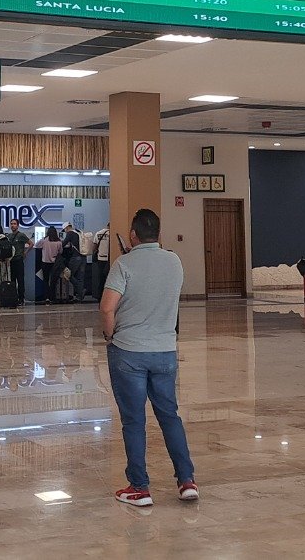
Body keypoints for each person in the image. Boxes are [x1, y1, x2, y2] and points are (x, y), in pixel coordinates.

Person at [101, 208, 197, 507]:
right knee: (170, 416)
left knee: (134, 420)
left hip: (129, 350)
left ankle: (139, 487)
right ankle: (186, 480)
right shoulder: (174, 260)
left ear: (132, 234)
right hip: (165, 351)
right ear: (159, 233)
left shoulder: (123, 264)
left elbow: (107, 308)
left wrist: (109, 337)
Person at [4, 219, 33, 301]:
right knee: (12, 280)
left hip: (19, 260)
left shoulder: (21, 235)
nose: (13, 225)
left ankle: (21, 298)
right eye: (11, 224)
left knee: (20, 280)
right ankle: (13, 297)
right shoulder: (8, 236)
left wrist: (25, 252)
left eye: (14, 224)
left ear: (17, 225)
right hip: (11, 260)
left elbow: (31, 243)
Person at [37, 226, 61, 303]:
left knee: (46, 280)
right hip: (55, 263)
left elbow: (36, 245)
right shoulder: (59, 242)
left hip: (45, 262)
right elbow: (60, 251)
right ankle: (52, 297)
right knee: (53, 281)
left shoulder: (44, 240)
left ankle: (46, 297)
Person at [93, 222, 112, 295]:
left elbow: (94, 247)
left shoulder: (98, 233)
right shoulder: (112, 234)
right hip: (110, 259)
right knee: (109, 279)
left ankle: (100, 295)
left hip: (100, 259)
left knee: (101, 279)